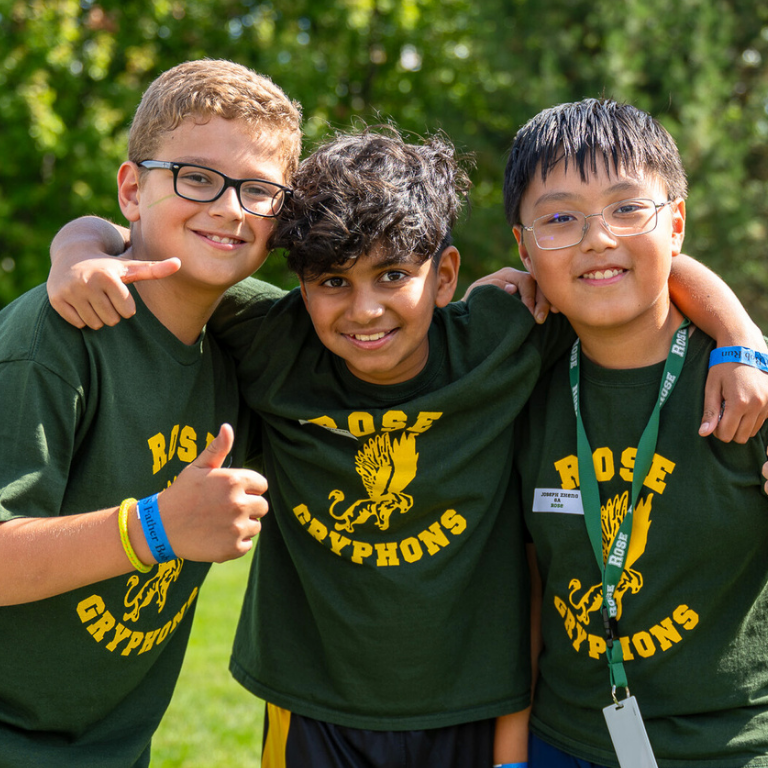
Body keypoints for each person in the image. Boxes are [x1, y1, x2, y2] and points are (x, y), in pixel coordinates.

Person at [48, 126, 768, 768]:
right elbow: (151, 251)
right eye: (332, 282)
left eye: (394, 275)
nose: (364, 309)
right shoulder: (274, 339)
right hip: (310, 703)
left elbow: (631, 271)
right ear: (300, 285)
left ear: (445, 274)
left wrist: (743, 339)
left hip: (472, 707)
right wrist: (76, 245)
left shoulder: (500, 337)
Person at [0, 58, 302, 767]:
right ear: (133, 189)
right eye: (197, 178)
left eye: (259, 191)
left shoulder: (246, 343)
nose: (230, 208)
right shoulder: (54, 337)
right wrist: (157, 526)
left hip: (114, 749)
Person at [503, 97, 768, 767]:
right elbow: (522, 582)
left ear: (675, 224)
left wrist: (744, 339)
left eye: (627, 208)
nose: (598, 239)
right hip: (563, 742)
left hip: (729, 749)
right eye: (560, 218)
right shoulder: (516, 377)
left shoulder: (748, 387)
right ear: (524, 247)